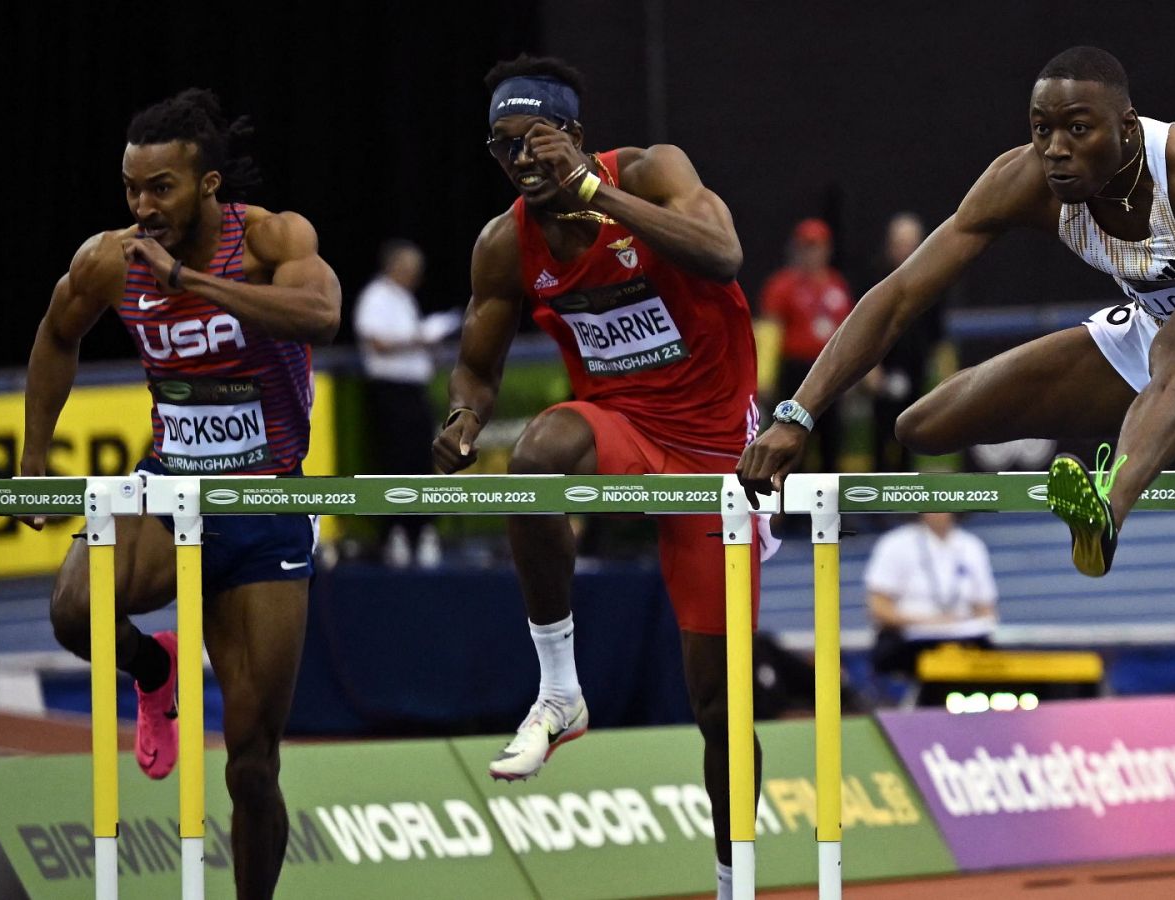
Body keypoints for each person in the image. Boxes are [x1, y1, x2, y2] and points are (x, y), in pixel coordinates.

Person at [738, 46, 1175, 577]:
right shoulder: (1025, 180)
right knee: (922, 426)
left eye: (1076, 129)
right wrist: (799, 413)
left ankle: (1106, 511)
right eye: (1042, 129)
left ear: (1126, 127)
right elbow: (901, 293)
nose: (1055, 150)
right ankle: (1157, 422)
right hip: (1157, 343)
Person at [433, 55, 762, 899]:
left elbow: (723, 255)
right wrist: (465, 416)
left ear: (574, 136)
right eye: (503, 149)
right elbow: (478, 363)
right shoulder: (506, 244)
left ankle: (735, 882)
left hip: (718, 450)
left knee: (720, 707)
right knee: (533, 458)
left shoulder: (652, 171)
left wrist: (598, 194)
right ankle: (559, 691)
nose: (522, 164)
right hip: (621, 429)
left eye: (536, 144)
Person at [21, 88, 340, 900]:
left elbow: (318, 314)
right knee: (71, 609)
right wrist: (32, 458)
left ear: (207, 185)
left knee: (252, 763)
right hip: (169, 488)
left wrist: (190, 281)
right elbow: (58, 333)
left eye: (160, 187)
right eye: (131, 188)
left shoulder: (273, 237)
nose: (142, 207)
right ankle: (152, 671)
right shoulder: (110, 259)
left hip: (265, 506)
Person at [353, 238, 455, 567]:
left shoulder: (404, 300)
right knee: (394, 462)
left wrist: (427, 347)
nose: (415, 276)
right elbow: (377, 343)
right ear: (394, 266)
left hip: (414, 391)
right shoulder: (376, 297)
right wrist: (418, 339)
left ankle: (422, 530)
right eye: (410, 269)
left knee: (420, 462)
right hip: (389, 392)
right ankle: (394, 533)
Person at [758, 218, 853, 473]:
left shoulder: (837, 285)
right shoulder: (782, 285)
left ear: (826, 249)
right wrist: (765, 378)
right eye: (805, 247)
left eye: (816, 246)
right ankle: (793, 510)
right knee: (792, 439)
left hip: (829, 372)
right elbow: (769, 333)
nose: (810, 253)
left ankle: (832, 507)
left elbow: (848, 332)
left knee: (831, 440)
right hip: (794, 373)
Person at [864, 513, 997, 685]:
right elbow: (878, 607)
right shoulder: (896, 544)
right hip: (910, 639)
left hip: (962, 638)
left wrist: (968, 624)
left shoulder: (971, 546)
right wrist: (927, 621)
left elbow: (985, 606)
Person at [865, 213, 940, 472]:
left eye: (911, 244)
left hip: (915, 367)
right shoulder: (876, 278)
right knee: (880, 434)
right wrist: (871, 369)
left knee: (913, 432)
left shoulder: (934, 278)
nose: (905, 250)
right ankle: (877, 503)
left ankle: (908, 493)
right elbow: (866, 329)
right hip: (883, 364)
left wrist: (936, 366)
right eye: (899, 244)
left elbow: (936, 332)